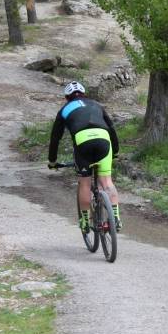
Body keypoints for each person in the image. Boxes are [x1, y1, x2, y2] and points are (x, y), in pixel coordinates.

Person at [48, 81, 122, 232]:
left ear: (67, 97)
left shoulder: (64, 109)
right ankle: (115, 218)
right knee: (107, 182)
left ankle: (85, 221)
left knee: (85, 183)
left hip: (83, 142)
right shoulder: (96, 105)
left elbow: (55, 137)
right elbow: (111, 128)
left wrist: (53, 160)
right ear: (84, 94)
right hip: (104, 139)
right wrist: (115, 151)